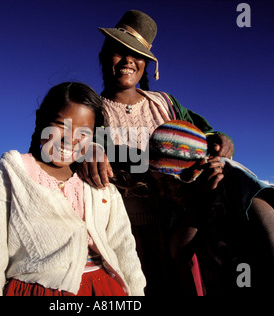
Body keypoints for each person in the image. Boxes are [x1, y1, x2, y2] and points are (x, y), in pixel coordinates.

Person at [77, 9, 231, 295]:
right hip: (118, 232)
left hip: (178, 227)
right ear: (103, 56)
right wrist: (88, 148)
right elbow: (60, 143)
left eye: (136, 54)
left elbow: (203, 135)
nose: (127, 61)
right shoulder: (91, 110)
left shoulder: (165, 104)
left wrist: (222, 138)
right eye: (117, 51)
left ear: (147, 64)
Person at [0, 82, 146, 296]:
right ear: (41, 120)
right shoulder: (13, 170)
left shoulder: (97, 178)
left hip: (104, 290)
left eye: (84, 132)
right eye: (61, 125)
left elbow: (123, 245)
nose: (70, 139)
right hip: (37, 290)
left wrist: (136, 294)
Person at [148, 120, 274, 296]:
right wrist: (200, 201)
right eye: (157, 183)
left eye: (168, 181)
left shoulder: (230, 177)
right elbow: (178, 250)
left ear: (194, 170)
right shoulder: (183, 202)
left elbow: (273, 233)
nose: (164, 193)